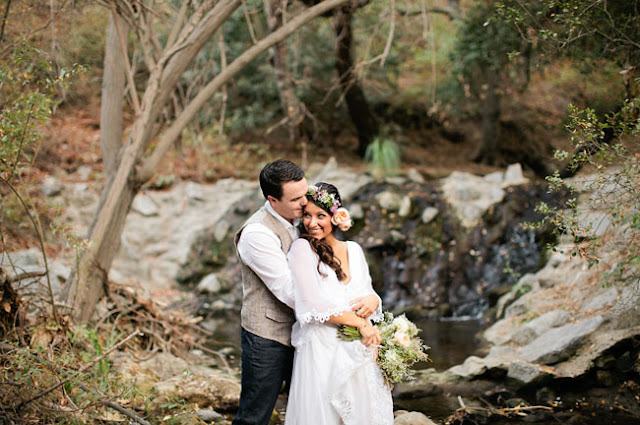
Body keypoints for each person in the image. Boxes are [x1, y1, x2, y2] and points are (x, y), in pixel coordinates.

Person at [284, 182, 394, 425]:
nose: (312, 223)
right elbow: (310, 303)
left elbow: (368, 292)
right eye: (307, 215)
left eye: (320, 216)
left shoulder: (354, 250)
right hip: (322, 349)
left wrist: (374, 300)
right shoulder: (302, 249)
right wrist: (360, 324)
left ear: (336, 216)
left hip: (358, 349)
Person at [233, 159, 308, 425]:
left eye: (305, 194)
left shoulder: (304, 216)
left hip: (304, 331)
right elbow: (288, 290)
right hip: (267, 336)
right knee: (255, 415)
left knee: (307, 407)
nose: (305, 203)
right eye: (296, 199)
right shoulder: (256, 234)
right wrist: (338, 311)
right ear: (272, 200)